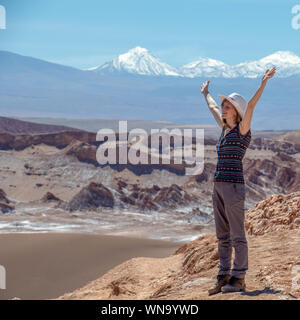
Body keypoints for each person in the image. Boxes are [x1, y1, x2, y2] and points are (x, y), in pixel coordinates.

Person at [200, 67, 276, 295]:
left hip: (233, 187)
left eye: (227, 106)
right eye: (224, 106)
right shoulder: (224, 130)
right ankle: (223, 275)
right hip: (219, 186)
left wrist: (263, 83)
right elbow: (213, 107)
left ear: (236, 111)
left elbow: (251, 106)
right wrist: (206, 94)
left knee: (236, 235)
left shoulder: (242, 131)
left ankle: (239, 277)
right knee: (222, 234)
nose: (223, 109)